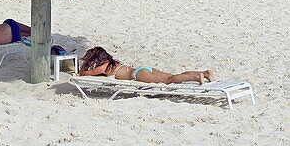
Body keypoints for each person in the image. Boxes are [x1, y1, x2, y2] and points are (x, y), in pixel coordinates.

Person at [79, 46, 215, 85]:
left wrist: (86, 63)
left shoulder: (103, 67)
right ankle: (205, 73)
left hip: (138, 75)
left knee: (169, 81)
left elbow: (83, 74)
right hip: (143, 69)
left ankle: (197, 76)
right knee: (171, 76)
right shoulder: (115, 62)